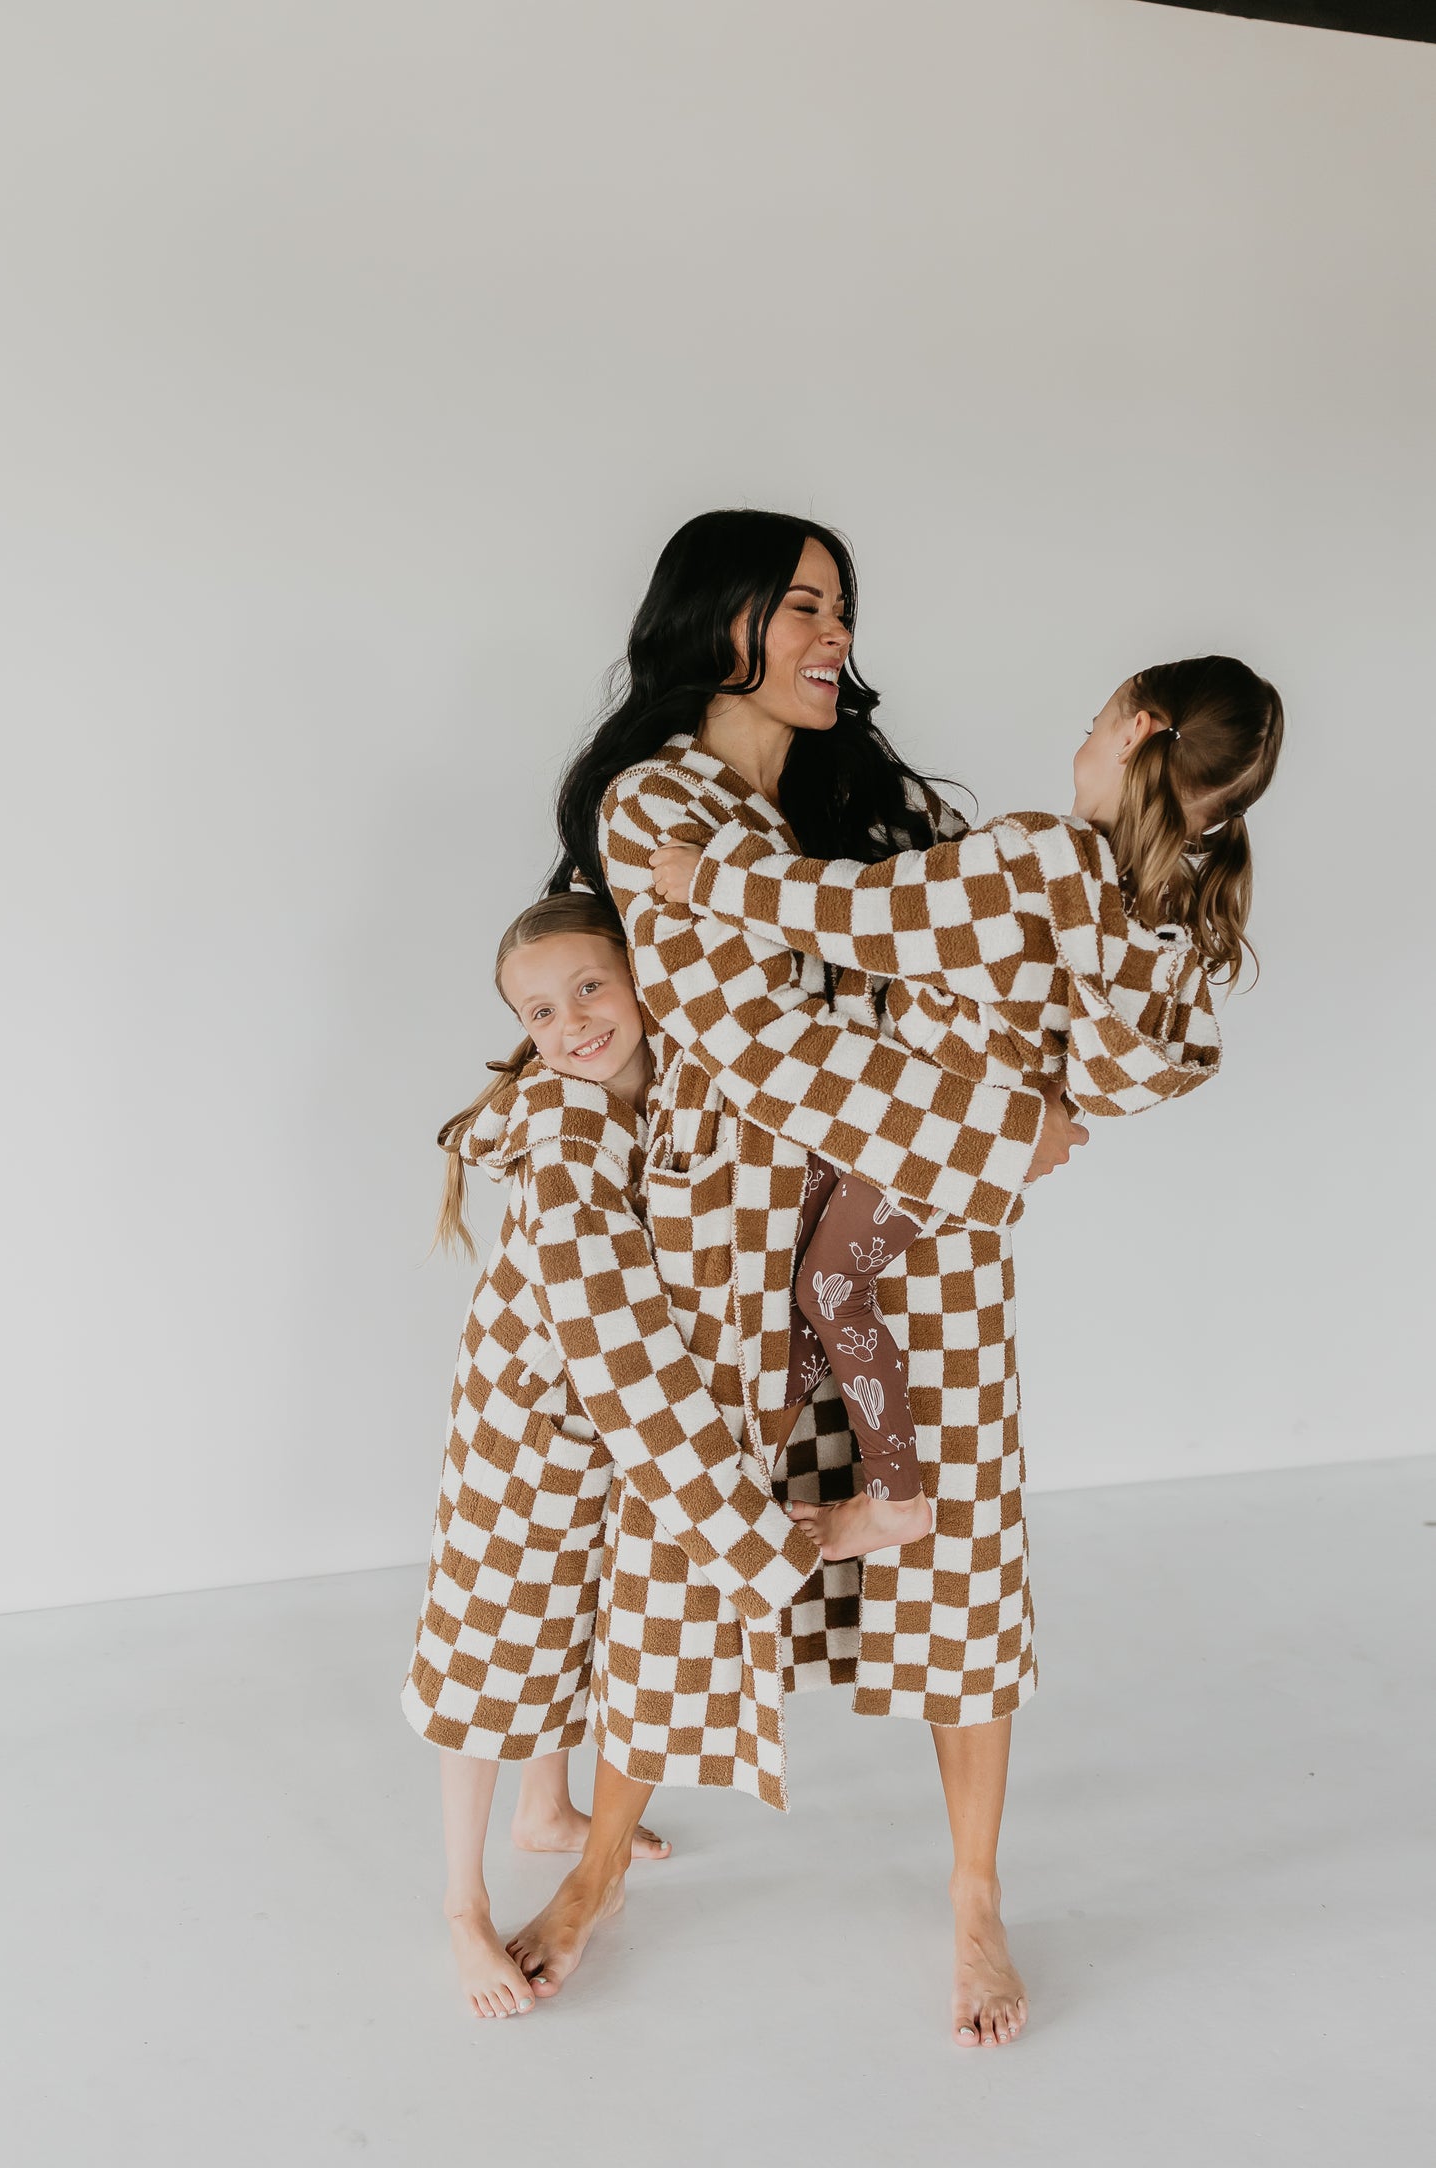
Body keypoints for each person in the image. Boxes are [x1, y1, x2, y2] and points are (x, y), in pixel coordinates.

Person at [507, 510, 1086, 2045]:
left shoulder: (853, 814)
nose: (839, 638)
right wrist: (996, 1127)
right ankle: (602, 1866)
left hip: (907, 1214)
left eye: (846, 611)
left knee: (959, 1534)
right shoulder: (652, 806)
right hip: (739, 1210)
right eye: (809, 607)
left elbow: (981, 957)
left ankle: (974, 1896)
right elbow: (756, 1048)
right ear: (725, 620)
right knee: (693, 1535)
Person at [648, 653, 1283, 1559]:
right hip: (957, 1140)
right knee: (814, 1289)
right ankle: (759, 1467)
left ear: (1136, 730)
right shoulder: (1151, 904)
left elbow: (872, 913)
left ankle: (892, 1498)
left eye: (1094, 721)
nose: (1086, 737)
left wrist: (711, 879)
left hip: (926, 1126)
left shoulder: (1040, 858)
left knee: (825, 1287)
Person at [401, 891, 817, 2019]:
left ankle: (552, 1811)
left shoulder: (679, 1071)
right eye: (541, 1011)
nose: (574, 1020)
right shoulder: (564, 1138)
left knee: (578, 1614)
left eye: (589, 985)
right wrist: (762, 1540)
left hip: (594, 1420)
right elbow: (617, 1350)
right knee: (491, 1645)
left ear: (640, 974)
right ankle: (458, 1899)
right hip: (527, 1421)